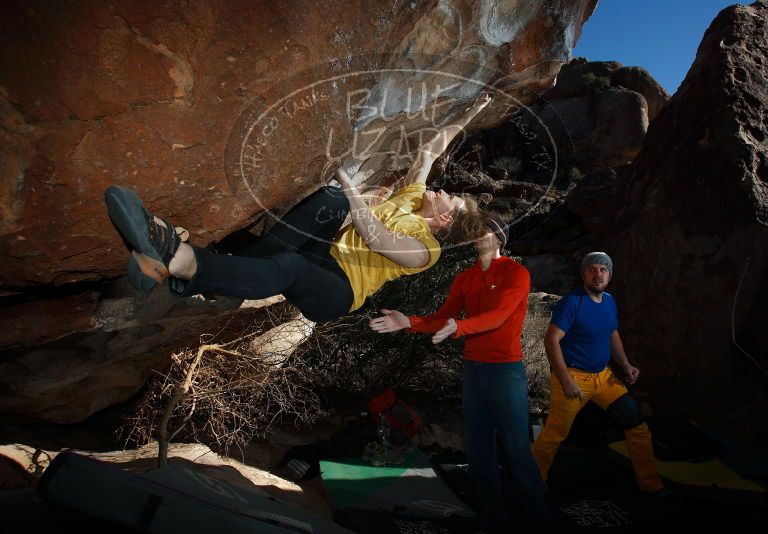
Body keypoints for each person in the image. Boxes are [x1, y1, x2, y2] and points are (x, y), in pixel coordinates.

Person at [104, 94, 492, 322]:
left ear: (444, 218)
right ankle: (214, 277)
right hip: (326, 253)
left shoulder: (427, 251)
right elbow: (429, 152)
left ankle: (181, 261)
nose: (441, 191)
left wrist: (348, 182)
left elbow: (374, 237)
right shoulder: (413, 197)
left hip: (337, 291)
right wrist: (471, 113)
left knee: (294, 263)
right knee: (330, 200)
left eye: (449, 199)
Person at [369, 214, 550, 529]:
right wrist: (408, 322)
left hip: (505, 372)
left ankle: (540, 518)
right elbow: (443, 317)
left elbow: (499, 315)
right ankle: (494, 517)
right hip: (474, 372)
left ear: (499, 238)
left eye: (484, 231)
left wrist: (461, 326)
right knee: (478, 450)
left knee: (517, 448)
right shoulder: (465, 277)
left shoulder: (515, 272)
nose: (477, 235)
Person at [530, 252, 668, 496]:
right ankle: (530, 483)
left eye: (603, 270)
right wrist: (565, 380)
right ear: (583, 274)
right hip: (573, 377)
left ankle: (651, 486)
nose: (598, 274)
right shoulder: (572, 302)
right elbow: (551, 340)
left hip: (604, 378)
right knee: (555, 434)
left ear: (610, 275)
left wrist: (625, 365)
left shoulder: (609, 301)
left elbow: (612, 333)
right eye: (592, 269)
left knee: (637, 426)